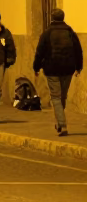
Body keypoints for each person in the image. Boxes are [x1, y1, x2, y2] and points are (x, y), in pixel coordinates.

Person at [34, 8, 83, 136]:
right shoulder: (70, 32)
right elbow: (78, 50)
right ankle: (60, 121)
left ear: (51, 18)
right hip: (68, 68)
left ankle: (62, 124)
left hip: (52, 69)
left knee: (56, 97)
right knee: (62, 97)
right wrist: (79, 67)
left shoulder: (47, 33)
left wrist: (36, 67)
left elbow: (40, 51)